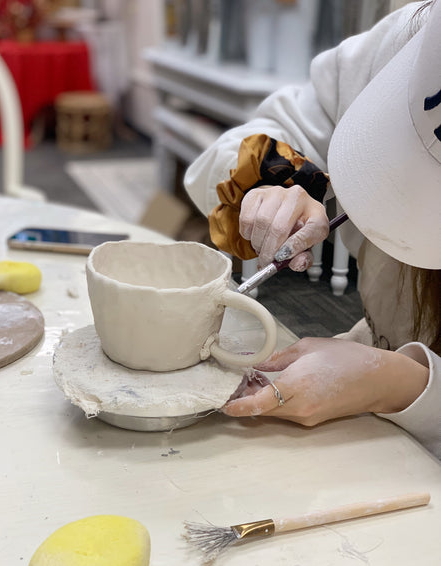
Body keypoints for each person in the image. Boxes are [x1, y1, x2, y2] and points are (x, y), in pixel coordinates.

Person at [184, 1, 441, 459]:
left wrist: (404, 384)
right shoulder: (410, 38)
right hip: (358, 381)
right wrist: (270, 181)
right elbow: (275, 126)